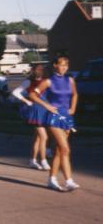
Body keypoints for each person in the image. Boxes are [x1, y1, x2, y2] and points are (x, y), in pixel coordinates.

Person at [29, 56, 80, 191]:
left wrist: (73, 108)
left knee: (59, 150)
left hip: (66, 116)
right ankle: (69, 180)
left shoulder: (70, 80)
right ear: (55, 66)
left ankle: (52, 179)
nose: (63, 68)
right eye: (61, 65)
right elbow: (33, 95)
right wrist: (47, 106)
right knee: (65, 149)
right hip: (53, 117)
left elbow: (75, 95)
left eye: (66, 65)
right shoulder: (48, 81)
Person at [12, 64, 51, 171]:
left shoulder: (46, 81)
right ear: (33, 70)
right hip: (35, 111)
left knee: (37, 138)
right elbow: (15, 92)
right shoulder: (29, 81)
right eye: (38, 69)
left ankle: (32, 160)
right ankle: (43, 160)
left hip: (44, 110)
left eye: (42, 69)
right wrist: (26, 101)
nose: (40, 71)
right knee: (44, 137)